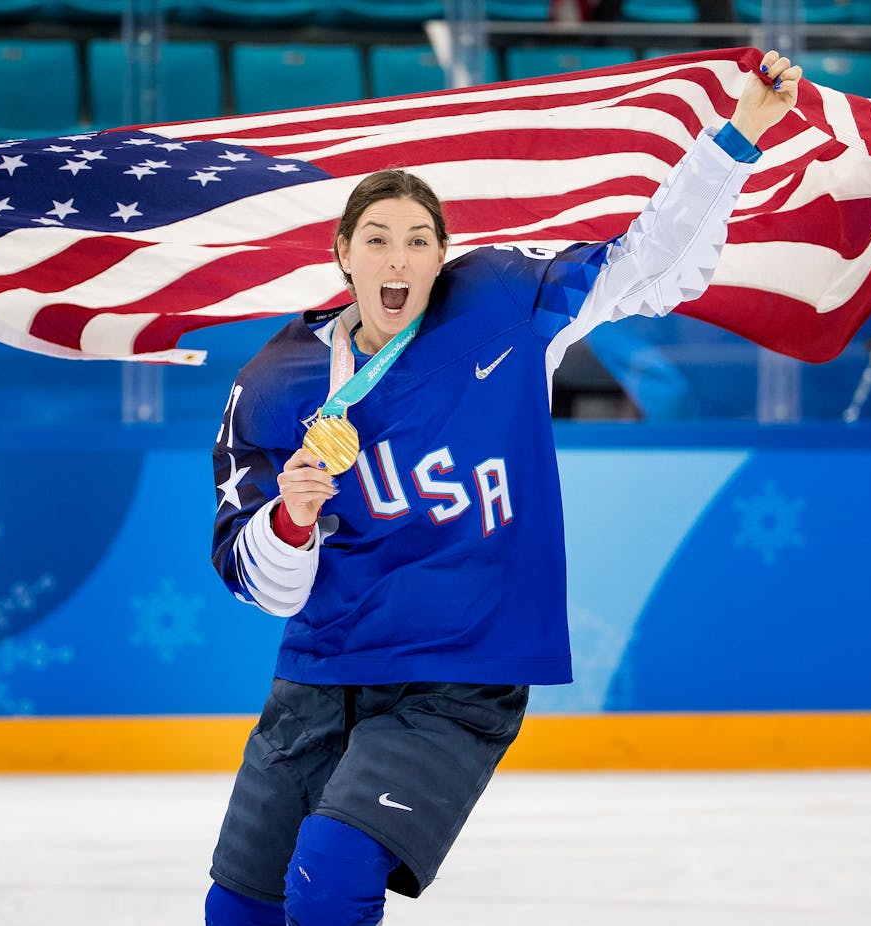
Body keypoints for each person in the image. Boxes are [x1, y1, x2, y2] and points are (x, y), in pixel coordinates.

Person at [205, 51, 802, 926]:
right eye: (376, 239)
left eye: (418, 240)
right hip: (321, 673)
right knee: (239, 907)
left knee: (329, 880)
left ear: (443, 255)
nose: (397, 257)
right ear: (342, 256)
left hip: (455, 676)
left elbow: (649, 264)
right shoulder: (274, 385)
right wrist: (292, 519)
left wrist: (739, 133)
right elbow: (261, 587)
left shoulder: (503, 313)